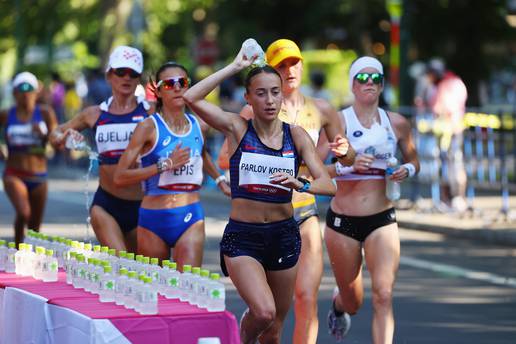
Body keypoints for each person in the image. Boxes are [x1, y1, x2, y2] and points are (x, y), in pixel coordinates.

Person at [183, 45, 346, 344]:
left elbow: (329, 184)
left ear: (282, 94)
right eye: (261, 93)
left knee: (273, 330)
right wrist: (234, 67)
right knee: (264, 312)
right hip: (244, 236)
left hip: (284, 234)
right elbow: (190, 97)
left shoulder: (295, 135)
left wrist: (302, 183)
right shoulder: (237, 127)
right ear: (248, 97)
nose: (269, 100)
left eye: (275, 92)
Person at [325, 56, 419, 343]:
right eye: (362, 79)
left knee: (384, 294)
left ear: (381, 86)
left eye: (375, 79)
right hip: (344, 221)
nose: (368, 83)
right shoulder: (337, 120)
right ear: (352, 85)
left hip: (382, 219)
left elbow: (414, 158)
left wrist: (408, 169)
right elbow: (313, 167)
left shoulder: (398, 123)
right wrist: (346, 166)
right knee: (354, 300)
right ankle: (339, 306)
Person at [113, 61, 230, 266]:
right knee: (155, 290)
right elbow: (120, 176)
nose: (177, 87)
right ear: (157, 91)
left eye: (182, 82)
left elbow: (200, 153)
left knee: (189, 288)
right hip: (153, 218)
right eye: (169, 84)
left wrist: (219, 179)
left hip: (190, 215)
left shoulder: (199, 125)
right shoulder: (148, 127)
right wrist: (163, 165)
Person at [50, 46, 151, 253]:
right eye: (120, 72)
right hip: (106, 205)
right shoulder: (93, 114)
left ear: (139, 78)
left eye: (133, 74)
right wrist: (64, 137)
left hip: (144, 206)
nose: (127, 78)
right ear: (109, 76)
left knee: (146, 272)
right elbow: (54, 135)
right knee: (121, 266)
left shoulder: (151, 111)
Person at [1, 71, 58, 244]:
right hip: (14, 174)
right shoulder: (6, 114)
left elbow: (56, 141)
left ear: (36, 92)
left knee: (35, 226)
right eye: (21, 90)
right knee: (24, 212)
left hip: (39, 177)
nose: (26, 94)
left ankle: (30, 259)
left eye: (30, 90)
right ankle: (18, 250)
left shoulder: (46, 113)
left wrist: (45, 135)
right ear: (14, 93)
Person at [427, 58, 468, 213]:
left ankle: (455, 198)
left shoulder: (448, 84)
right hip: (446, 131)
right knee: (447, 165)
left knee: (453, 164)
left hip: (451, 131)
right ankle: (449, 198)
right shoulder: (453, 82)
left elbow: (440, 107)